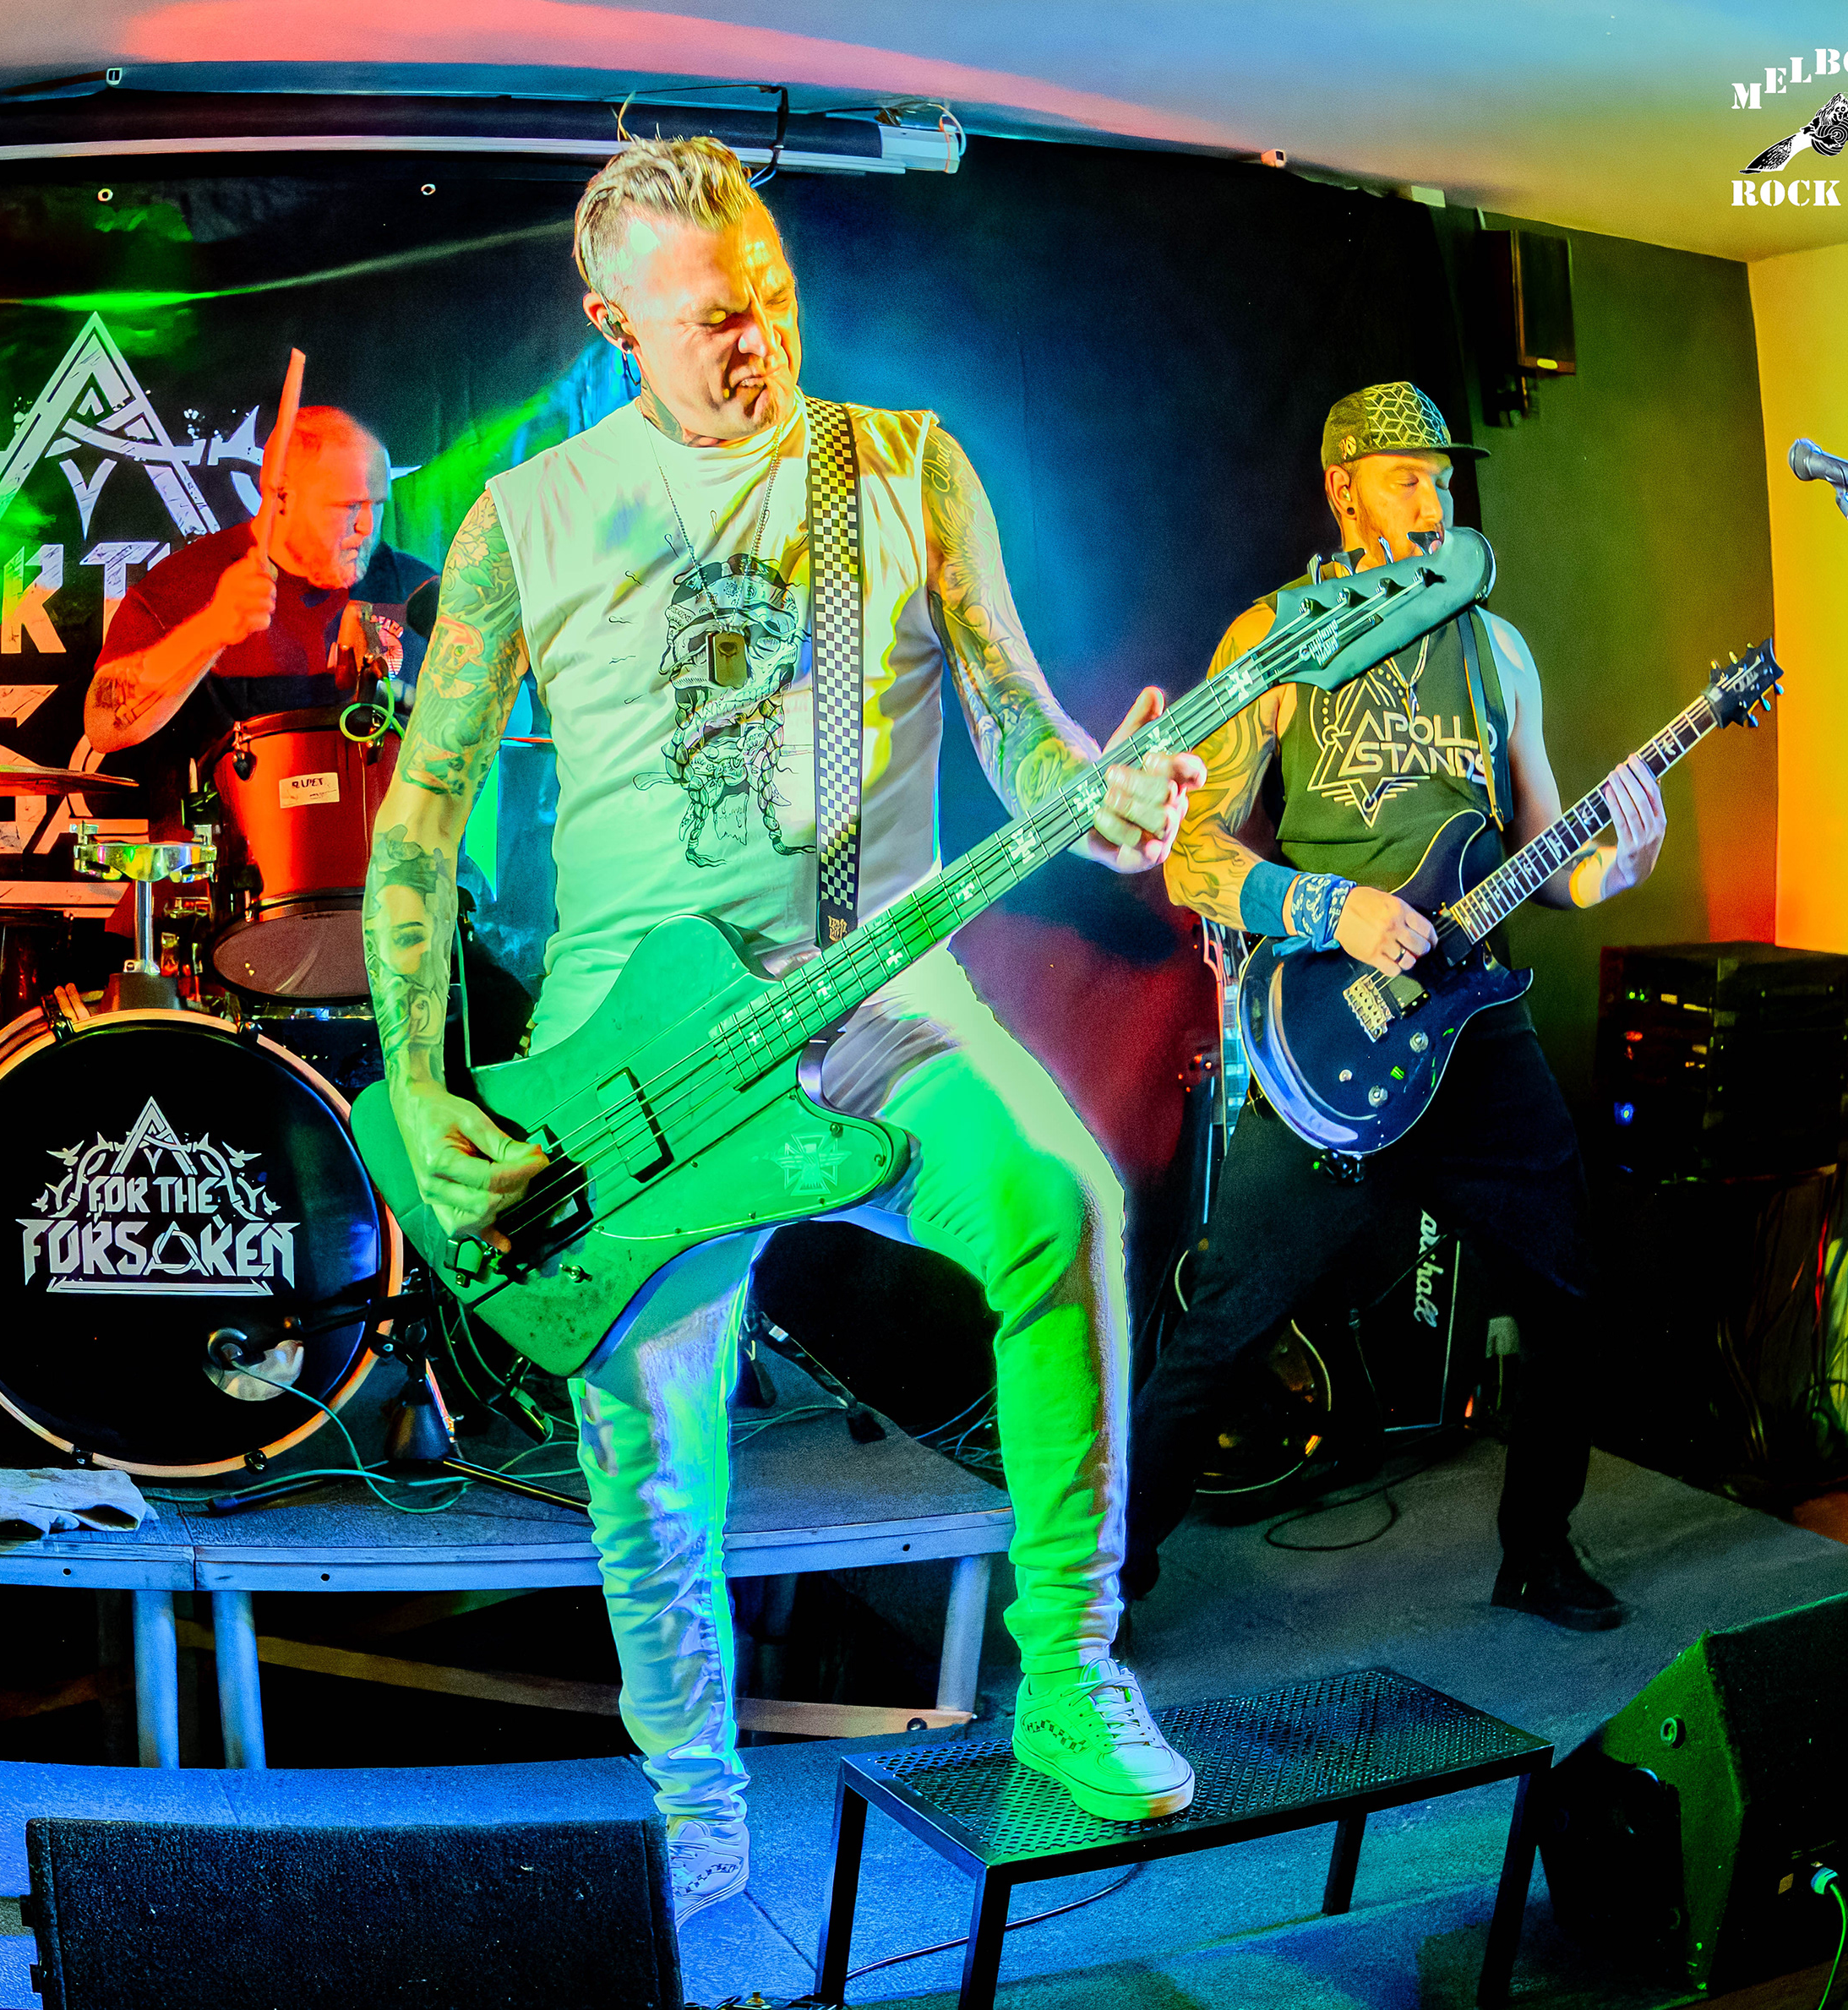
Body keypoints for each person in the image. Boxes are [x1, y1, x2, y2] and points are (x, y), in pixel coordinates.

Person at [360, 138, 1206, 1923]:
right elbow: (419, 823)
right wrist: (422, 1090)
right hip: (635, 1044)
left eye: (776, 297)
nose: (761, 339)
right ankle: (693, 1793)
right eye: (714, 319)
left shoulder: (900, 464)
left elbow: (1017, 723)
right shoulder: (528, 517)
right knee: (651, 1446)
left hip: (875, 987)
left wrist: (1105, 792)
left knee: (1060, 1203)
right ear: (615, 325)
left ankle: (1068, 1670)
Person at [1139, 380, 1666, 1630]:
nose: (1435, 501)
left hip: (1475, 1031)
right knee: (1224, 1325)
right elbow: (1189, 855)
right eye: (1407, 476)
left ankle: (1537, 1551)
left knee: (1572, 1295)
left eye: (1445, 476)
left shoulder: (1498, 648)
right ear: (1344, 489)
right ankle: (1106, 1578)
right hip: (1331, 1030)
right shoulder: (1277, 637)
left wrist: (1612, 868)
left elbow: (1546, 850)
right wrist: (1333, 909)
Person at [84, 405, 433, 773]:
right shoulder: (184, 585)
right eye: (349, 506)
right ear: (282, 497)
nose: (368, 526)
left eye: (377, 504)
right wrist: (212, 628)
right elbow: (104, 728)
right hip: (231, 807)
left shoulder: (417, 589)